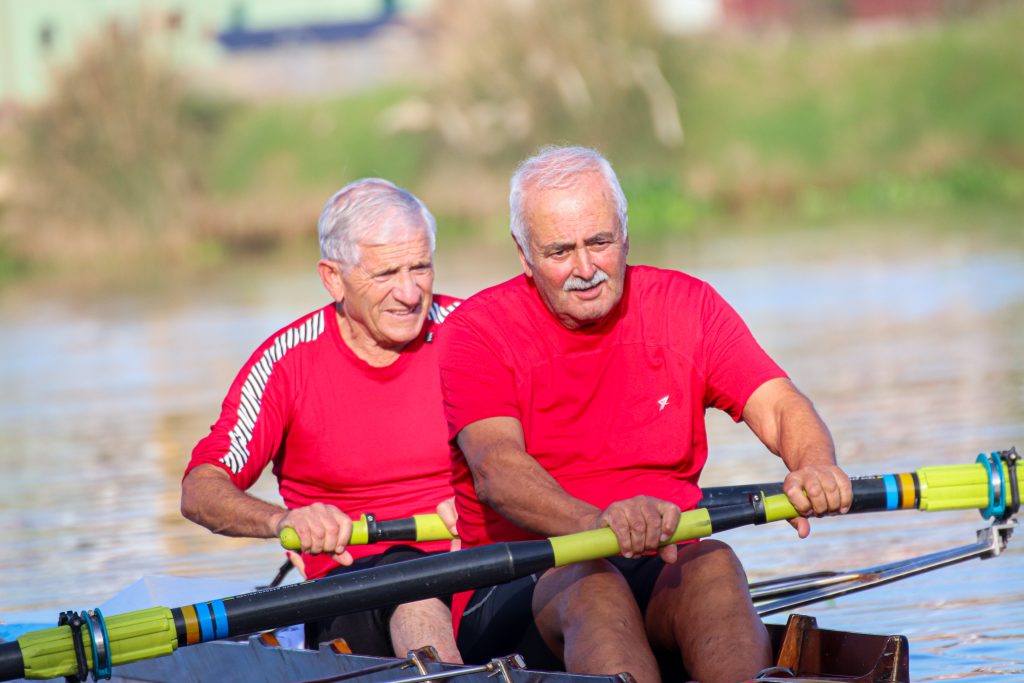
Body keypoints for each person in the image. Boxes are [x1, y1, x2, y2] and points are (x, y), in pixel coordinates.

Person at [437, 146, 852, 683]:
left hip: (660, 557)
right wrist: (598, 524)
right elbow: (498, 471)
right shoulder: (476, 332)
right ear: (524, 254)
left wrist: (814, 464)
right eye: (560, 251)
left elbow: (778, 404)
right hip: (521, 577)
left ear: (626, 235)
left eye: (600, 243)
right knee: (593, 580)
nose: (585, 269)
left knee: (715, 563)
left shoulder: (688, 306)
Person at [181, 178, 463, 662]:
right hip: (353, 588)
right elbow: (200, 490)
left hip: (480, 566)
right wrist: (282, 520)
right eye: (386, 273)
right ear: (333, 278)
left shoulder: (472, 334)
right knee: (409, 579)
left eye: (420, 267)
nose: (409, 292)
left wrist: (490, 499)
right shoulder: (286, 363)